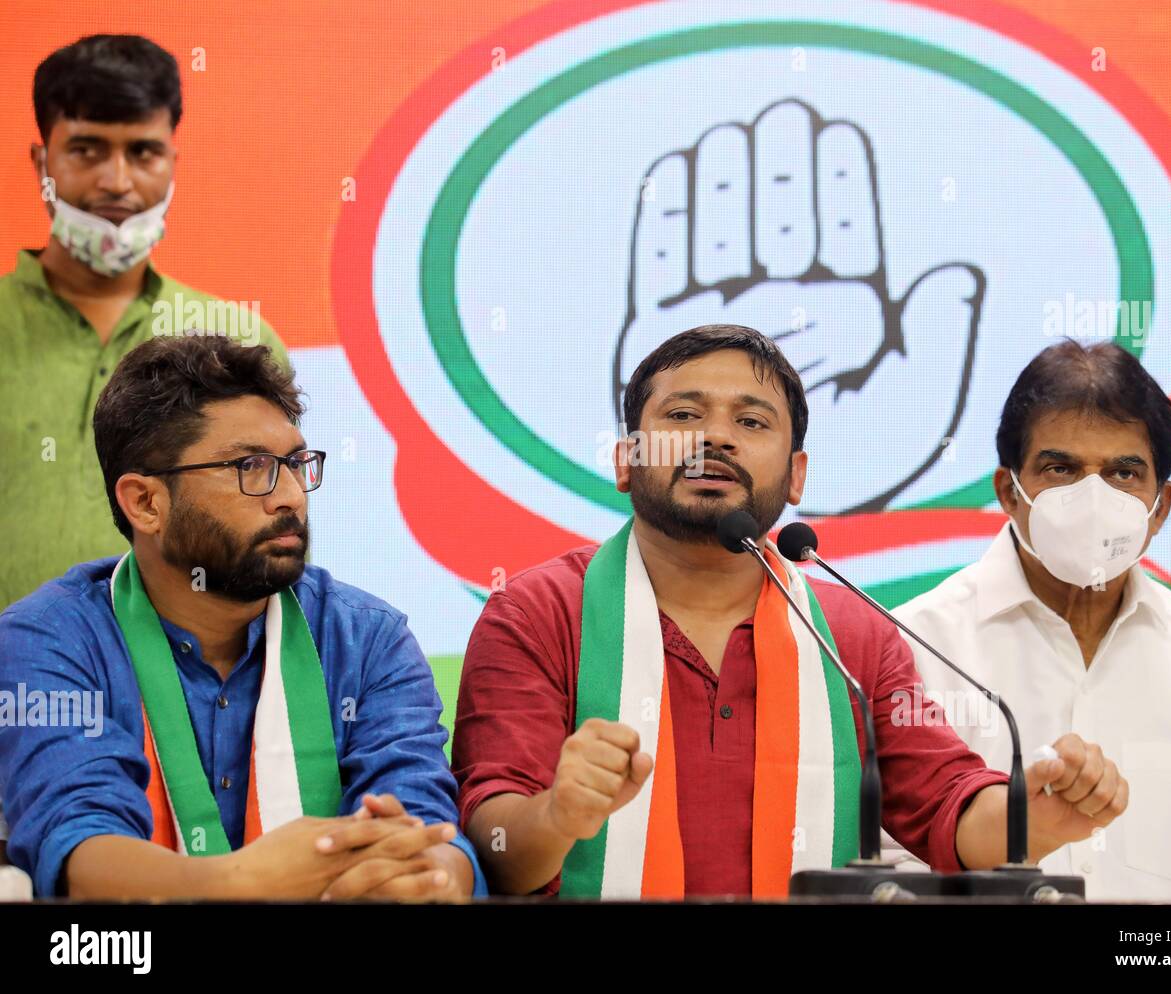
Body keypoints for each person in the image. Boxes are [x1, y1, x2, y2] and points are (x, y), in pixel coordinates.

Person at [452, 324, 1128, 898]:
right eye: (683, 416)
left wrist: (1034, 817)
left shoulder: (850, 634)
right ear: (627, 460)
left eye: (750, 422)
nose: (715, 438)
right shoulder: (536, 613)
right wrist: (560, 813)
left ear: (797, 475)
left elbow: (947, 810)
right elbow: (498, 848)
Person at [0, 335, 483, 901]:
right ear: (145, 503)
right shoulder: (48, 639)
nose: (291, 497)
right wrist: (244, 883)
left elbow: (429, 826)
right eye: (252, 466)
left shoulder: (368, 638)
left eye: (297, 464)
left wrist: (427, 877)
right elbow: (79, 848)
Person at [891, 339, 1171, 901]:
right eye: (1061, 469)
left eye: (1124, 473)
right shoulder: (910, 650)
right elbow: (885, 878)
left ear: (1162, 506)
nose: (1093, 497)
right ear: (1009, 492)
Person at [0, 34, 288, 612]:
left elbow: (271, 530)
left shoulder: (236, 342)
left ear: (172, 162)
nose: (116, 181)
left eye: (142, 152)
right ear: (42, 163)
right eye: (86, 149)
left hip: (194, 691)